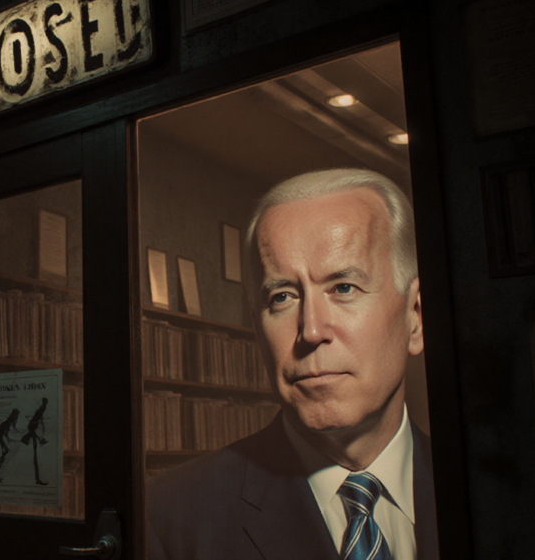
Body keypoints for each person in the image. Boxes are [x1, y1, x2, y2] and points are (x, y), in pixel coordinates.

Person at [146, 168, 438, 560]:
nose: (311, 330)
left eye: (344, 288)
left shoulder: (505, 492)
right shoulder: (169, 516)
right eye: (282, 297)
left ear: (415, 316)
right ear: (256, 328)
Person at [21, 397, 50, 485]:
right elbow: (34, 422)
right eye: (44, 402)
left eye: (45, 403)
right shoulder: (40, 410)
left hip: (33, 429)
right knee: (34, 454)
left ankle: (37, 479)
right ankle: (37, 479)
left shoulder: (40, 410)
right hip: (33, 429)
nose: (44, 404)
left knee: (35, 453)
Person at [0, 408, 20, 483]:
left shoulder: (7, 423)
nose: (16, 418)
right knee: (5, 452)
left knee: (5, 453)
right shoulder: (6, 423)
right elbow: (4, 434)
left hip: (0, 439)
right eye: (15, 417)